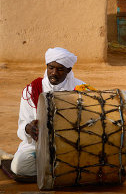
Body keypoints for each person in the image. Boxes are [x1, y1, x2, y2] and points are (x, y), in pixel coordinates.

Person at [11, 47, 85, 176]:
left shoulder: (81, 90)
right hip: (39, 146)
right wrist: (28, 128)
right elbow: (24, 123)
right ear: (47, 66)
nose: (54, 73)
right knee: (20, 166)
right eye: (51, 68)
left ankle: (55, 169)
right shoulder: (32, 90)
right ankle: (65, 171)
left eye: (60, 69)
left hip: (72, 145)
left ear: (68, 70)